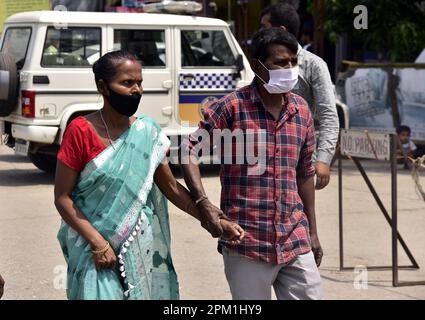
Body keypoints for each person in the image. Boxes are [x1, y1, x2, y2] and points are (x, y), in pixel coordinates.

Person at [54, 50, 244, 300]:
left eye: (139, 82)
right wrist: (97, 242)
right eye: (127, 83)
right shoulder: (80, 131)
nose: (137, 90)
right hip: (94, 250)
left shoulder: (147, 131)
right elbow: (62, 198)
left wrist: (213, 220)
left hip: (137, 245)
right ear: (103, 86)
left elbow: (172, 188)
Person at [180, 28, 323, 300]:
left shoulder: (301, 110)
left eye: (293, 62)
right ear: (257, 66)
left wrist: (313, 232)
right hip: (246, 242)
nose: (289, 68)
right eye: (280, 63)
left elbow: (305, 174)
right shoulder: (232, 108)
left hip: (294, 239)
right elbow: (188, 150)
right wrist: (203, 204)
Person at [260, 3, 339, 190]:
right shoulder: (261, 63)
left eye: (264, 28)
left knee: (298, 213)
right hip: (263, 158)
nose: (260, 34)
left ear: (280, 30)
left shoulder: (314, 66)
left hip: (298, 162)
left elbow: (328, 116)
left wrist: (323, 159)